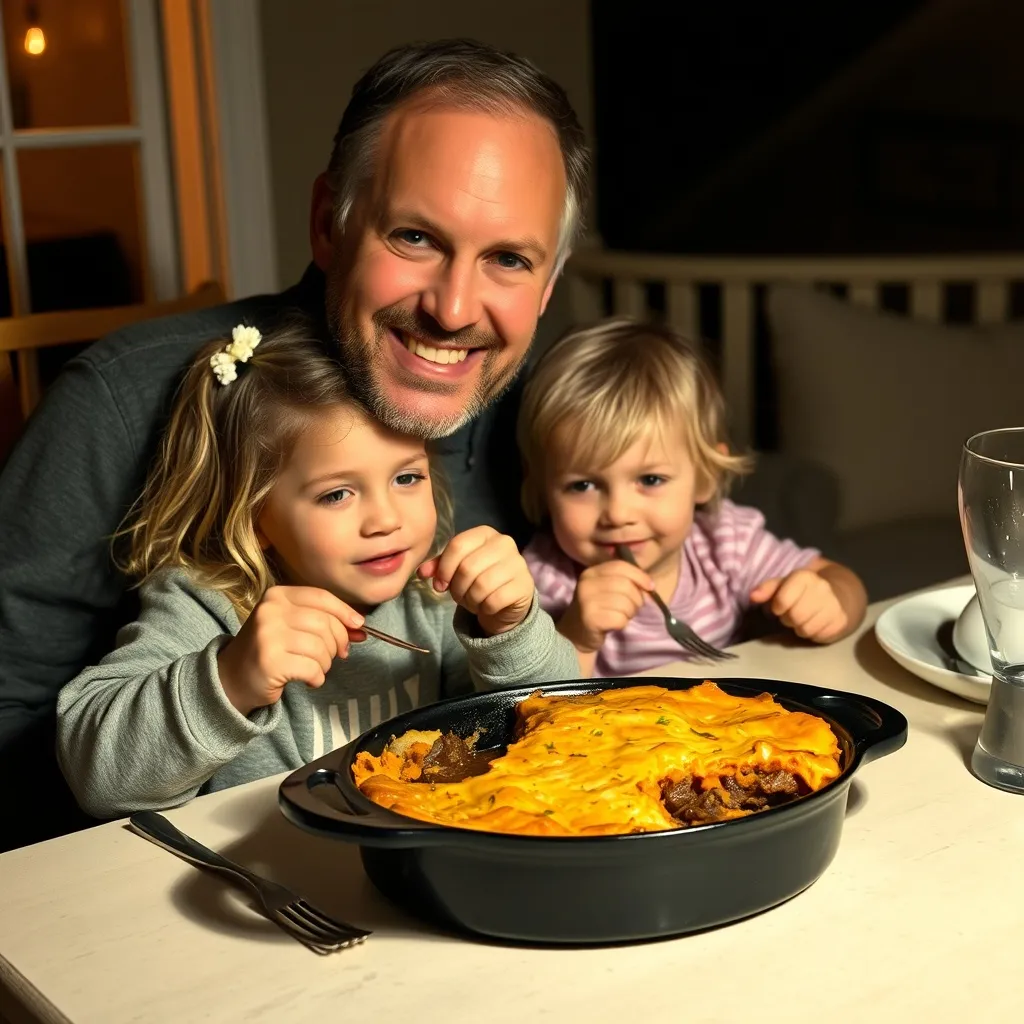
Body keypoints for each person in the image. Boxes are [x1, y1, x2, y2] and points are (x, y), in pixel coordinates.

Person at [0, 39, 589, 847]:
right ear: (327, 224)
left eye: (509, 259)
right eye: (414, 237)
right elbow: (29, 735)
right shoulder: (121, 406)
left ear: (548, 281)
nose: (454, 310)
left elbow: (574, 683)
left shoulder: (538, 409)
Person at [57, 324, 578, 819]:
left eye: (406, 477)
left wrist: (511, 628)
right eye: (336, 494)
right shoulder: (207, 606)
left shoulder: (435, 600)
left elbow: (566, 740)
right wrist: (231, 677)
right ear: (253, 514)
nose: (386, 520)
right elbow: (97, 780)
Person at [516, 318, 868, 677]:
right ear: (542, 488)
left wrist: (830, 603)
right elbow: (536, 698)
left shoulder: (725, 542)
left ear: (705, 477)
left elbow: (842, 580)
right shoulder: (542, 581)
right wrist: (577, 638)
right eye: (583, 486)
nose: (619, 514)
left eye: (650, 479)